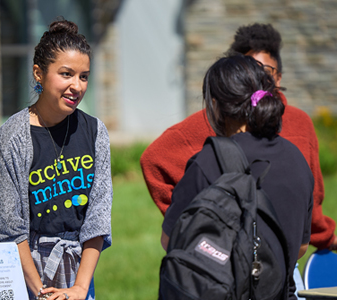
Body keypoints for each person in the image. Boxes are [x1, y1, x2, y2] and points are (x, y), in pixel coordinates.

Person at [140, 23, 337, 248]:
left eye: (265, 73)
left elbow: (310, 203)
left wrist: (323, 236)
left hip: (276, 257)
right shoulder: (208, 159)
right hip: (239, 257)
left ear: (279, 77)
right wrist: (193, 220)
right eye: (250, 71)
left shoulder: (299, 127)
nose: (259, 81)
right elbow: (155, 158)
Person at [162, 54, 313, 299]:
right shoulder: (296, 158)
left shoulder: (209, 161)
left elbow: (170, 241)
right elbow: (301, 247)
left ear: (215, 105)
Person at [0, 18, 112, 300]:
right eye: (66, 74)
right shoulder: (13, 136)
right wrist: (40, 292)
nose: (76, 86)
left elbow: (97, 219)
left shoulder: (95, 132)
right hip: (24, 273)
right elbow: (7, 227)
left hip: (78, 273)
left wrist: (80, 288)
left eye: (83, 76)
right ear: (38, 73)